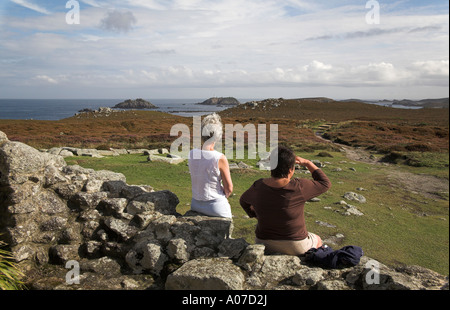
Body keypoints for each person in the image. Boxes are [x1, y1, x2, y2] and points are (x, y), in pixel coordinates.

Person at [239, 146, 331, 255]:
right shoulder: (299, 187)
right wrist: (307, 163)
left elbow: (243, 201)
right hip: (295, 245)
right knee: (318, 239)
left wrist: (254, 214)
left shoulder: (258, 185)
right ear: (291, 169)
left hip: (263, 242)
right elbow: (325, 183)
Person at [188, 113, 233, 218]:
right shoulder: (219, 158)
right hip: (215, 206)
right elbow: (229, 188)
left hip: (195, 203)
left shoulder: (192, 153)